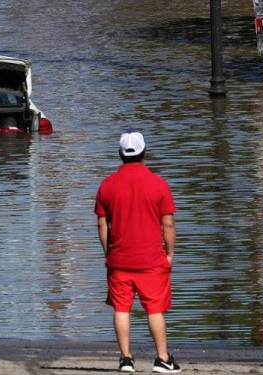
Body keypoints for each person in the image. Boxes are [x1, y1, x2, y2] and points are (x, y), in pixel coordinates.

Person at [94, 130, 180, 373]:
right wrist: (170, 253)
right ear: (144, 153)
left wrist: (107, 253)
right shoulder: (158, 184)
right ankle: (163, 359)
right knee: (154, 308)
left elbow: (102, 224)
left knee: (122, 308)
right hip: (151, 259)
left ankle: (126, 359)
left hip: (119, 259)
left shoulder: (107, 185)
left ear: (120, 154)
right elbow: (168, 224)